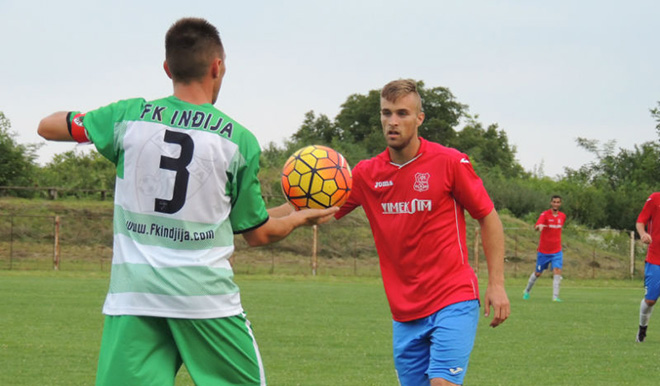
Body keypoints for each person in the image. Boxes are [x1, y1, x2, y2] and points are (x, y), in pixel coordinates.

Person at [37, 17, 337, 386]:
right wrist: (300, 219)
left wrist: (90, 121)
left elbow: (47, 126)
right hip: (204, 302)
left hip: (136, 297)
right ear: (217, 67)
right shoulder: (237, 141)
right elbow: (257, 234)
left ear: (167, 68)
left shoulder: (126, 118)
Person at [333, 79, 510, 386]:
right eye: (386, 113)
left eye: (402, 113)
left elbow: (488, 217)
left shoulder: (450, 162)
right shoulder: (365, 174)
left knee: (441, 383)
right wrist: (252, 215)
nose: (393, 121)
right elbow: (318, 210)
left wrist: (496, 284)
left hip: (453, 297)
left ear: (419, 118)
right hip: (404, 312)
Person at [523, 195, 566, 302]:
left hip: (557, 250)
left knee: (557, 270)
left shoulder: (562, 216)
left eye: (558, 202)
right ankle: (527, 291)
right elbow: (537, 225)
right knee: (538, 273)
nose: (556, 204)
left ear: (560, 204)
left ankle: (555, 297)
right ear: (551, 203)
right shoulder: (545, 214)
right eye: (554, 202)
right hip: (543, 251)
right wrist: (539, 227)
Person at [635, 192, 660, 342]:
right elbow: (640, 221)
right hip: (656, 259)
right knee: (650, 301)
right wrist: (643, 233)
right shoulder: (655, 199)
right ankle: (642, 329)